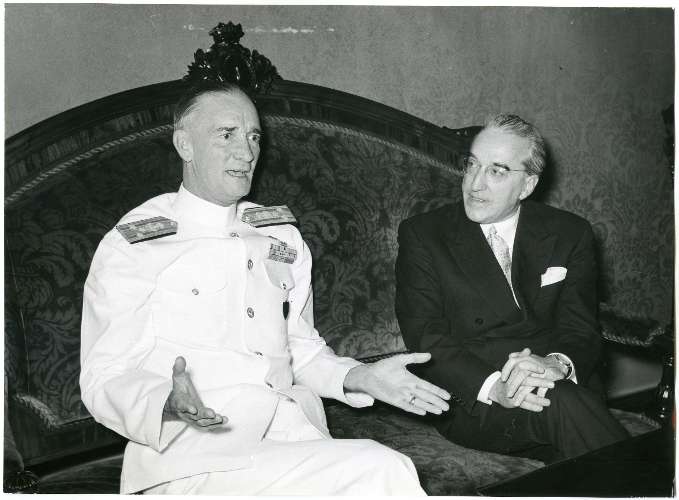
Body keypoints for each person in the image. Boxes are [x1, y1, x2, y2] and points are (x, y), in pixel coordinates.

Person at [80, 82, 451, 495]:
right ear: (184, 144)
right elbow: (104, 377)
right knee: (380, 469)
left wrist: (361, 377)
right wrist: (164, 402)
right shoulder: (136, 245)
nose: (246, 152)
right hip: (193, 458)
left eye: (253, 136)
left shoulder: (280, 236)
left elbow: (299, 351)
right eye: (226, 135)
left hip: (291, 440)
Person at [395, 114, 628, 462]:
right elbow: (426, 338)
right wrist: (497, 387)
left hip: (557, 380)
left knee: (576, 453)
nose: (475, 184)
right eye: (472, 165)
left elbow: (580, 326)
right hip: (477, 395)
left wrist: (557, 364)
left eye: (497, 171)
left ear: (528, 185)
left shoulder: (570, 233)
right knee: (562, 406)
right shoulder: (424, 235)